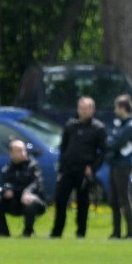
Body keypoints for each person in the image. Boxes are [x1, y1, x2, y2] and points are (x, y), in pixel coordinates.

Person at [49, 96, 106, 238]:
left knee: (83, 202)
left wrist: (92, 168)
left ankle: (81, 232)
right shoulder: (70, 125)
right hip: (68, 169)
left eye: (86, 108)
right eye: (81, 108)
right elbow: (63, 148)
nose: (83, 111)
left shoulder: (98, 128)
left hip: (84, 171)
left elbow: (103, 152)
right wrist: (61, 169)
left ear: (92, 110)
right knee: (60, 199)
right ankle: (57, 232)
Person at [0, 139, 47, 238]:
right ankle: (3, 233)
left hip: (33, 202)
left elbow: (37, 183)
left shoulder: (33, 166)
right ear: (11, 153)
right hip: (14, 203)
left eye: (23, 150)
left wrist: (27, 193)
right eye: (18, 151)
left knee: (30, 201)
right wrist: (6, 191)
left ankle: (27, 233)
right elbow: (4, 184)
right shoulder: (7, 169)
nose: (23, 153)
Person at [106, 94, 132, 240]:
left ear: (122, 107)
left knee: (124, 199)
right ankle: (116, 232)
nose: (115, 110)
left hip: (123, 166)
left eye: (116, 107)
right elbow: (111, 140)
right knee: (114, 199)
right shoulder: (121, 123)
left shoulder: (131, 125)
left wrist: (110, 143)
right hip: (115, 164)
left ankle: (130, 233)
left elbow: (114, 142)